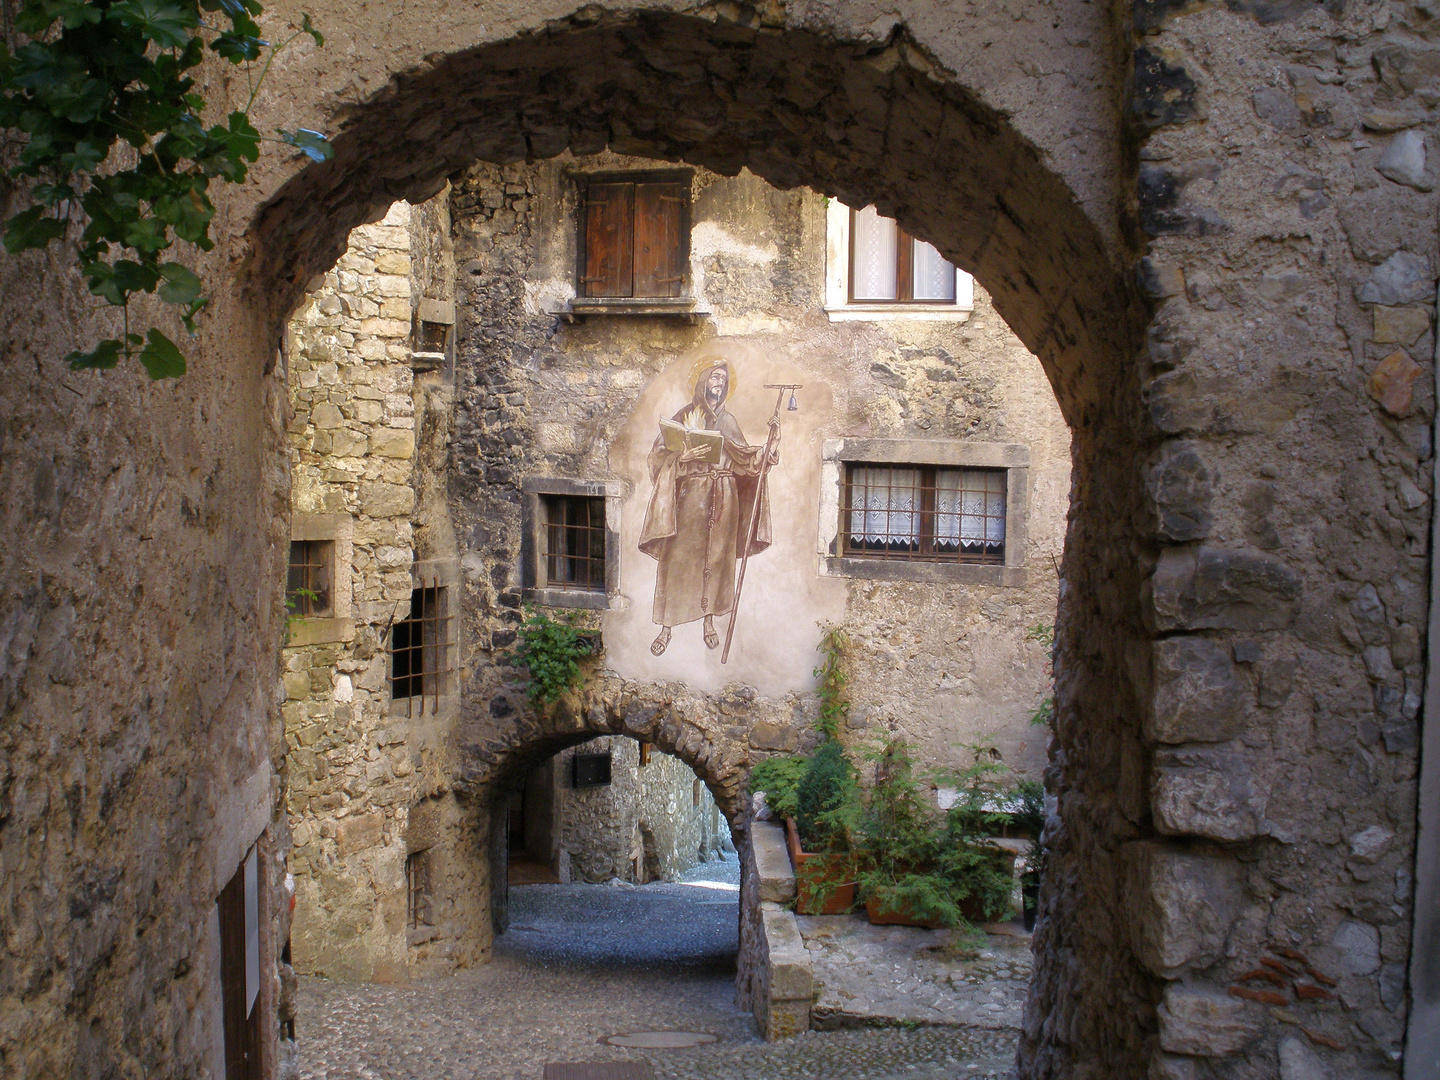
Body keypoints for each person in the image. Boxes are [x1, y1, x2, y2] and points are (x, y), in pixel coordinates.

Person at [639, 360, 779, 656]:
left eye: (724, 379)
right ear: (702, 381)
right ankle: (666, 627)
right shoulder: (684, 416)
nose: (720, 382)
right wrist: (684, 457)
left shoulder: (728, 422)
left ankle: (709, 622)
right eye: (715, 377)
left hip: (724, 500)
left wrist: (771, 445)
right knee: (677, 562)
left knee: (716, 560)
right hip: (690, 499)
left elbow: (748, 461)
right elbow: (657, 459)